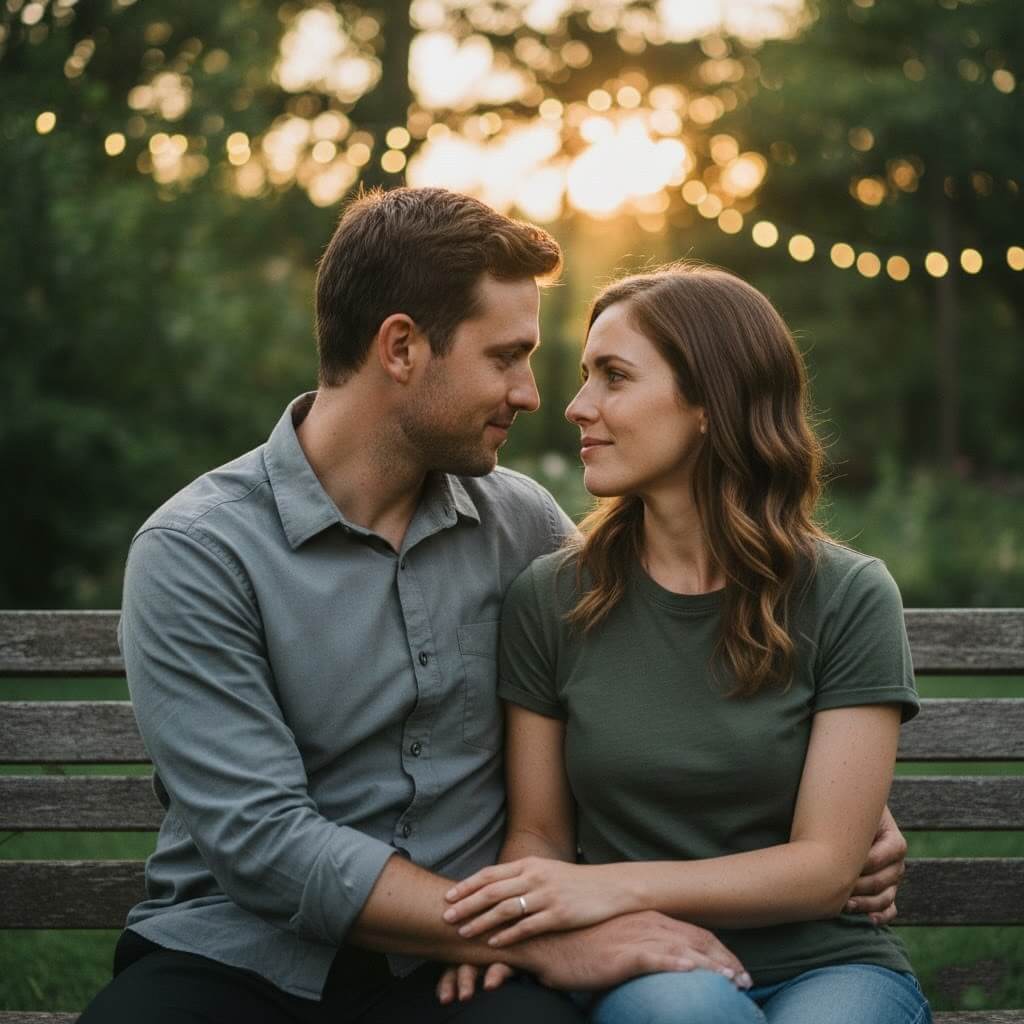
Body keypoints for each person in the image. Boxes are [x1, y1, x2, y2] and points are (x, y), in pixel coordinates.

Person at [79, 192, 907, 1024]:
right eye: (507, 358)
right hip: (244, 953)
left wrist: (845, 821)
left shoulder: (523, 528)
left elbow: (681, 675)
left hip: (452, 975)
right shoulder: (198, 550)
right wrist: (522, 937)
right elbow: (263, 843)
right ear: (401, 347)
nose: (533, 394)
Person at [441, 264, 932, 1024]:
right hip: (643, 959)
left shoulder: (847, 595)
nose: (576, 407)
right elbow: (537, 833)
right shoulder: (551, 598)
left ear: (710, 403)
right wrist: (536, 921)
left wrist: (611, 884)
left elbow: (828, 869)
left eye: (614, 377)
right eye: (585, 377)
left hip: (829, 962)